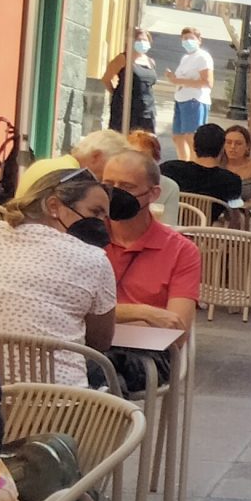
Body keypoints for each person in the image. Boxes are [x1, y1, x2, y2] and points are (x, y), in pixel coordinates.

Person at [0, 158, 116, 386]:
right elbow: (101, 341)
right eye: (95, 213)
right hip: (59, 400)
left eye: (104, 217)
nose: (101, 224)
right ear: (54, 206)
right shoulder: (95, 259)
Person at [96, 149, 199, 391]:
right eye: (108, 185)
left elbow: (176, 330)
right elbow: (69, 309)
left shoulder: (181, 250)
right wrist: (143, 313)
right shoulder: (86, 235)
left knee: (101, 374)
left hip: (148, 354)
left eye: (127, 187)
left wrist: (99, 315)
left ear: (153, 194)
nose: (115, 193)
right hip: (90, 343)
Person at [160, 123, 245, 209]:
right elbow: (234, 211)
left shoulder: (169, 169)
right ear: (222, 149)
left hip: (175, 217)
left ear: (194, 146)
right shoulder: (231, 181)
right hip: (209, 218)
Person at [167, 27, 214, 158]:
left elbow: (207, 82)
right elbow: (180, 78)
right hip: (181, 99)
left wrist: (180, 81)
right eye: (185, 38)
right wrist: (173, 78)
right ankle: (183, 163)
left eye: (191, 38)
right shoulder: (186, 58)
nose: (187, 41)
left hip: (194, 100)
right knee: (178, 136)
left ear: (199, 40)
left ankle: (195, 163)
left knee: (191, 137)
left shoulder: (203, 57)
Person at [219, 123, 251, 197]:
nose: (232, 147)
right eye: (228, 142)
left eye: (238, 143)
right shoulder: (217, 163)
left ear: (247, 146)